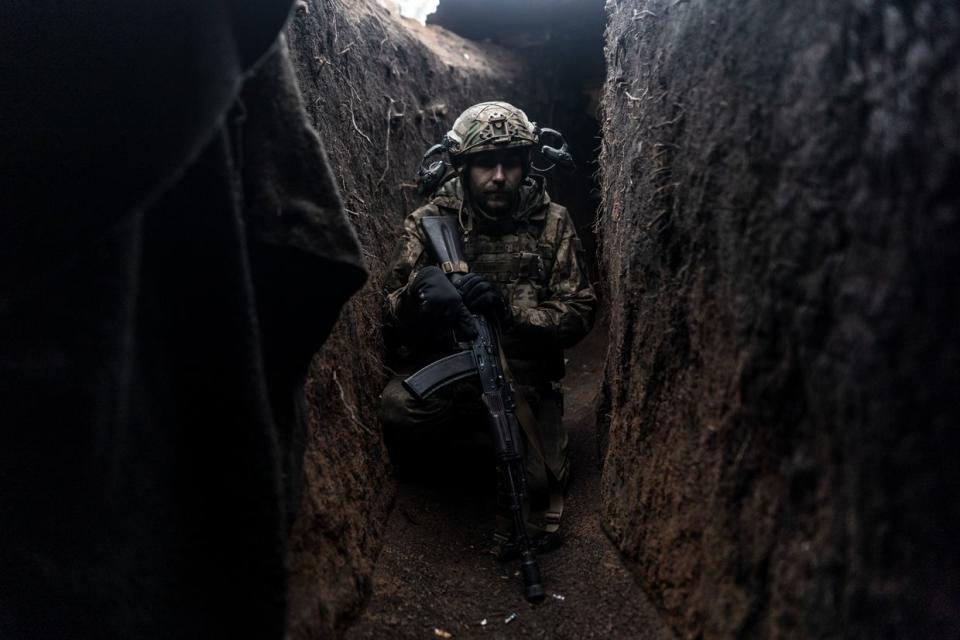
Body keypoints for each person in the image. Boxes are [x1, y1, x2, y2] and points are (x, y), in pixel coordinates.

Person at [379, 101, 597, 544]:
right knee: (400, 409)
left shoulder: (551, 221)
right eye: (485, 164)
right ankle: (463, 451)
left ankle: (496, 445)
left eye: (511, 163)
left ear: (525, 165)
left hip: (523, 380)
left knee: (541, 487)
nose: (499, 176)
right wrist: (424, 292)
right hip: (454, 370)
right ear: (463, 167)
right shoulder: (429, 222)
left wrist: (508, 313)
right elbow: (388, 313)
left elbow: (579, 311)